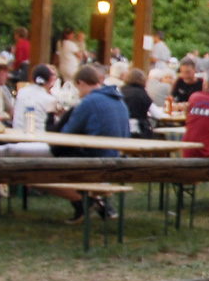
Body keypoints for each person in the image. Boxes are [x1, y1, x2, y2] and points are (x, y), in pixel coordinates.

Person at [44, 65, 129, 221]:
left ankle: (87, 201)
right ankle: (93, 202)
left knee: (39, 172)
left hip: (96, 158)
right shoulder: (119, 101)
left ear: (81, 83)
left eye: (77, 87)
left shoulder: (89, 102)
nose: (78, 92)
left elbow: (65, 135)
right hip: (116, 157)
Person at [120, 67, 156, 137]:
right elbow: (157, 114)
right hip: (139, 130)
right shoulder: (142, 93)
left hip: (122, 129)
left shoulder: (120, 91)